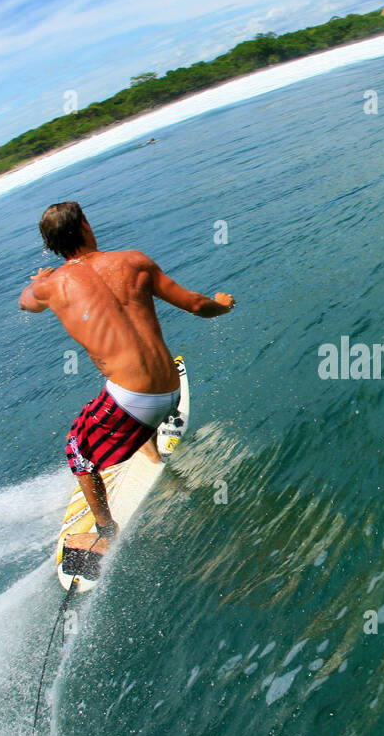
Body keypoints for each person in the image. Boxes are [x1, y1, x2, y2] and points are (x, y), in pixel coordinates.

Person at [19, 201, 234, 556]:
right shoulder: (134, 261)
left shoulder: (50, 287)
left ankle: (105, 531)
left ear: (51, 246)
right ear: (86, 227)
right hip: (171, 390)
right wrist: (222, 304)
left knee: (76, 447)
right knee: (116, 390)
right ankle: (149, 451)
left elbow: (25, 303)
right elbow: (198, 305)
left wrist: (40, 282)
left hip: (136, 401)